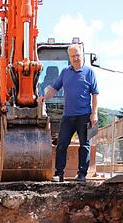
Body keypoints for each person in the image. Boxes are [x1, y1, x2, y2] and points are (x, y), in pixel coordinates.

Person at [38, 44, 99, 182]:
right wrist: (44, 97)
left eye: (77, 55)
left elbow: (95, 94)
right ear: (69, 58)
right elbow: (54, 88)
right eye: (73, 56)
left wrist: (94, 113)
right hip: (68, 116)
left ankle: (82, 174)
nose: (76, 58)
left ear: (82, 55)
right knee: (61, 144)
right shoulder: (65, 72)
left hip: (84, 115)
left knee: (84, 144)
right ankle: (59, 173)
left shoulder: (89, 73)